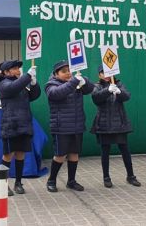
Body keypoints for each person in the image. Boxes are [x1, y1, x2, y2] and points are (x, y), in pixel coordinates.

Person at [45, 60, 94, 192]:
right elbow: (57, 93)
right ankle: (52, 180)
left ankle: (71, 181)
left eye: (69, 70)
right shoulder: (51, 85)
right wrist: (74, 82)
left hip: (77, 125)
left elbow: (90, 89)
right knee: (60, 155)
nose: (68, 73)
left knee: (74, 154)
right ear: (56, 74)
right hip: (61, 126)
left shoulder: (75, 82)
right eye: (64, 71)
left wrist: (84, 81)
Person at [0, 60, 40, 195]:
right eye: (14, 69)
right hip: (10, 125)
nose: (18, 71)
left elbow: (34, 95)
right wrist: (27, 77)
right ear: (6, 72)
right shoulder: (3, 83)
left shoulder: (21, 84)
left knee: (20, 154)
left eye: (18, 68)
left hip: (24, 124)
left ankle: (18, 183)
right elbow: (12, 88)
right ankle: (2, 184)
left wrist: (34, 83)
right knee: (8, 155)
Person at [91, 64, 141, 188]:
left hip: (120, 123)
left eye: (109, 72)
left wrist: (119, 92)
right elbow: (96, 98)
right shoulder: (97, 86)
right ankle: (106, 177)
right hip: (103, 124)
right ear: (99, 75)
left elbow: (127, 96)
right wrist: (107, 91)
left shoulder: (118, 84)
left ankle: (131, 176)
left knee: (125, 150)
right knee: (105, 151)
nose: (107, 75)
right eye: (103, 73)